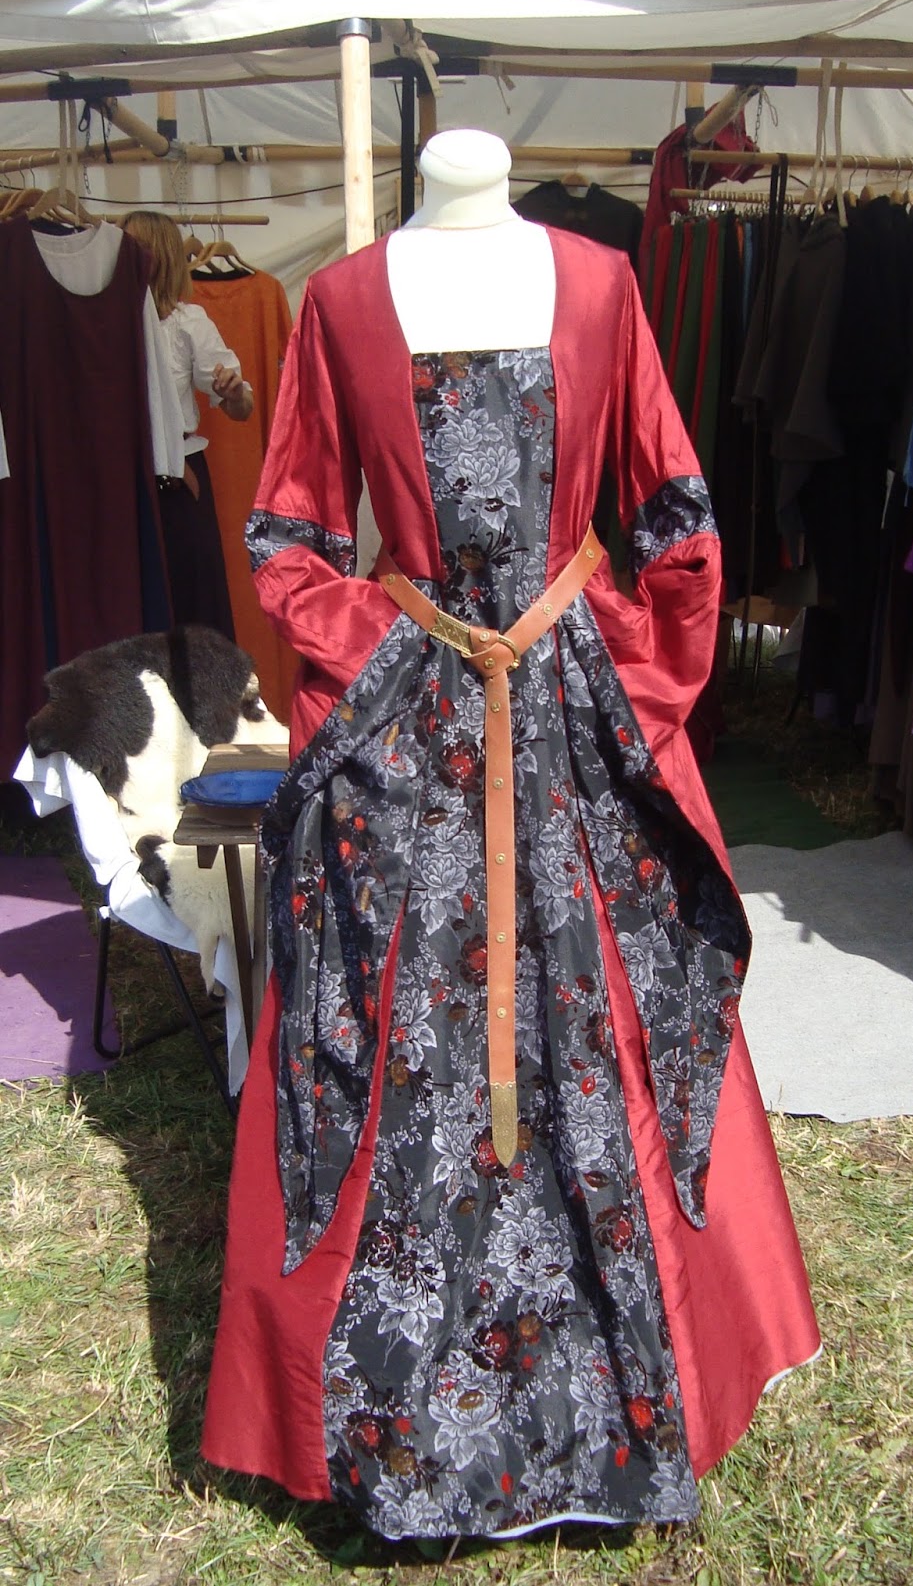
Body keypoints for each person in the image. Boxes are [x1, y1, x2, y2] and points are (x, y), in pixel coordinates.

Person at [201, 130, 819, 1540]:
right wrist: (384, 654)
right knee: (385, 1019)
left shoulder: (601, 283)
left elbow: (672, 512)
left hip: (568, 700)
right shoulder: (341, 301)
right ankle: (396, 1427)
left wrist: (635, 683)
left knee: (608, 997)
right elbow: (288, 529)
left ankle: (637, 1383)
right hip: (412, 704)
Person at [121, 210, 252, 639]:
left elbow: (242, 407)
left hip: (178, 480)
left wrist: (233, 391)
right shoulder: (102, 323)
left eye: (131, 247)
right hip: (120, 477)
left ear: (155, 256)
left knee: (192, 601)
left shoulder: (187, 323)